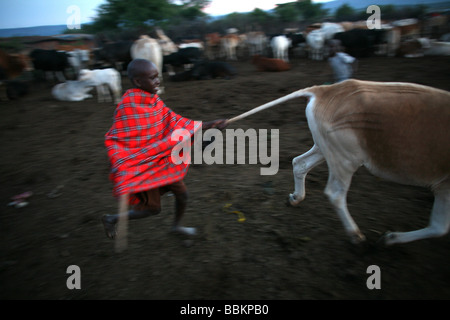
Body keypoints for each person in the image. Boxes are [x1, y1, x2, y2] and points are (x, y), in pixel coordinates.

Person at [102, 58, 228, 239]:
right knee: (152, 209)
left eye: (157, 77)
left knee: (183, 195)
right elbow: (126, 141)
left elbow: (175, 121)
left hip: (162, 162)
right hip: (144, 168)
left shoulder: (154, 101)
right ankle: (112, 218)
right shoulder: (128, 107)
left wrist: (208, 125)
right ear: (138, 82)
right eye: (153, 78)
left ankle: (176, 227)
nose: (158, 81)